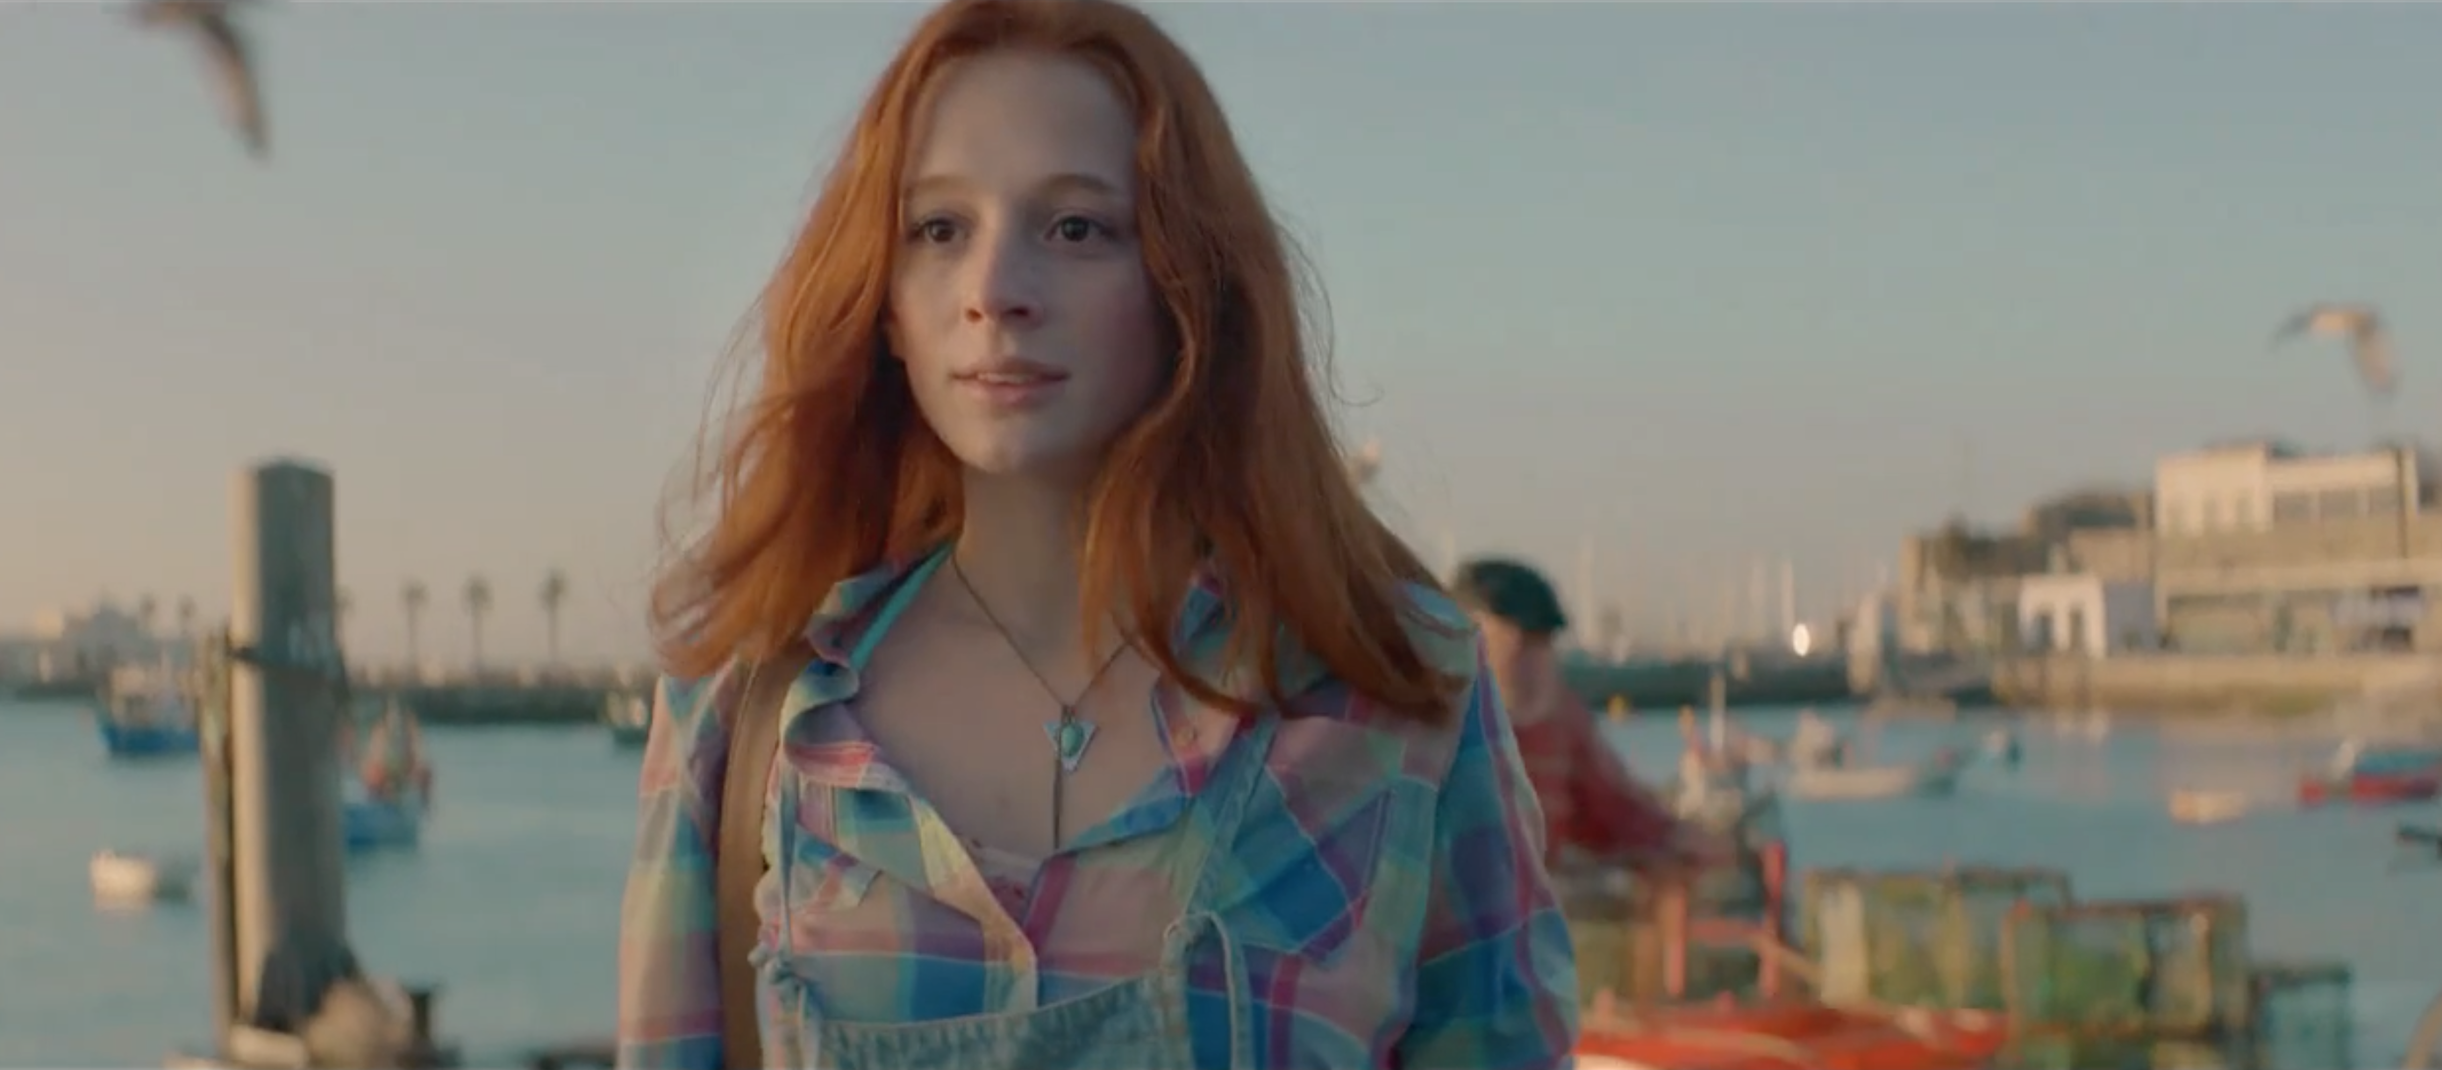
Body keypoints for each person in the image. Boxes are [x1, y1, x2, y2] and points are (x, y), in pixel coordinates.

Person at [614, 3, 1576, 1068]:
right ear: (883, 302)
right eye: (939, 229)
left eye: (1075, 228)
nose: (994, 293)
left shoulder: (1395, 689)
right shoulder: (747, 714)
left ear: (1187, 280)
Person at [1451, 557, 1704, 875]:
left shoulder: (1560, 721)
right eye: (1515, 641)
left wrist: (1675, 838)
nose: (1525, 658)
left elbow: (1616, 809)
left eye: (1539, 642)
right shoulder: (1427, 724)